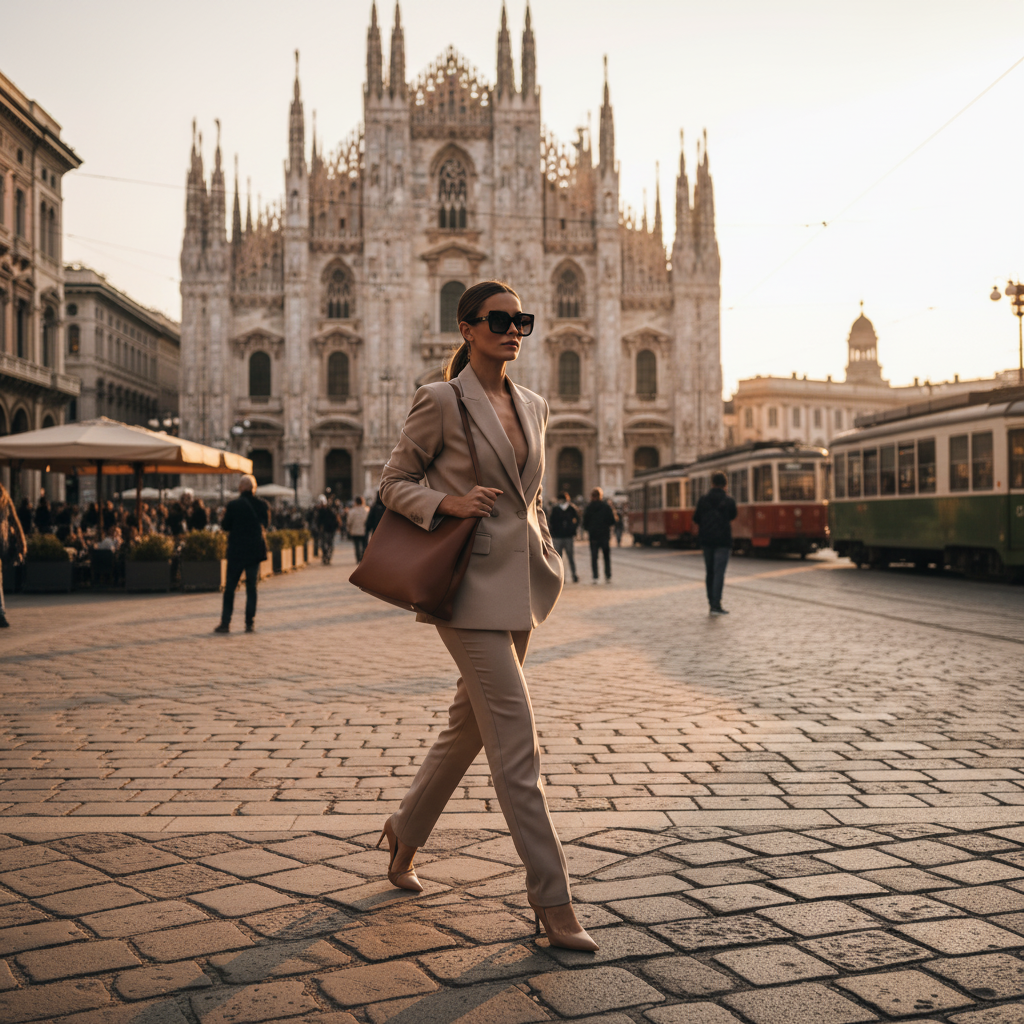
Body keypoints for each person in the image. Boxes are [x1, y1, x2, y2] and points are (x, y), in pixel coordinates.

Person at [378, 280, 596, 952]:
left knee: (466, 727)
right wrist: (446, 505)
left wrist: (547, 549)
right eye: (500, 320)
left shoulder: (533, 402)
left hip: (522, 582)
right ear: (467, 328)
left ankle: (404, 833)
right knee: (515, 739)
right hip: (466, 587)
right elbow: (392, 483)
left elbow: (527, 499)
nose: (514, 330)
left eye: (521, 320)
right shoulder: (440, 399)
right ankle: (552, 899)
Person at [214, 474, 270, 634]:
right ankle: (249, 623)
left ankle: (225, 623)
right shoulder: (262, 505)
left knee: (230, 588)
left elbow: (225, 526)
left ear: (241, 488)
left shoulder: (233, 505)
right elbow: (266, 524)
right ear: (254, 488)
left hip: (237, 552)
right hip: (254, 552)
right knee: (251, 588)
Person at [693, 470, 737, 615]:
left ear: (712, 483)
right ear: (725, 484)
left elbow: (696, 518)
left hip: (706, 540)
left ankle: (711, 603)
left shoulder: (703, 499)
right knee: (719, 573)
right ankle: (716, 605)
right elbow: (733, 515)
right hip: (723, 541)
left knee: (710, 572)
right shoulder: (729, 500)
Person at [0, 483, 28, 628]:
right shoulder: (5, 499)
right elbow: (16, 523)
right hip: (1, 543)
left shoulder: (5, 500)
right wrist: (22, 544)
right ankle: (0, 614)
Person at [582, 487, 617, 584]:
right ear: (600, 496)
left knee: (594, 557)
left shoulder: (588, 508)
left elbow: (584, 523)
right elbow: (612, 521)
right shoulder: (606, 507)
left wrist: (590, 528)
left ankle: (595, 577)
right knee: (606, 557)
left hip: (593, 536)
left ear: (592, 496)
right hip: (604, 535)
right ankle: (608, 575)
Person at [548, 492, 580, 583]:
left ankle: (572, 575)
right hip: (561, 536)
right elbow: (551, 522)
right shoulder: (557, 509)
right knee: (561, 558)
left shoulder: (570, 509)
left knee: (568, 557)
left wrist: (572, 528)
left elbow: (577, 520)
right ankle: (563, 576)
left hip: (564, 536)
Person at [315, 497, 341, 565]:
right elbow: (337, 521)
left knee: (324, 544)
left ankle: (326, 556)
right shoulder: (330, 512)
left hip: (326, 530)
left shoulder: (323, 511)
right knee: (329, 544)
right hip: (329, 530)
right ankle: (327, 556)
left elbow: (318, 521)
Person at [346, 496, 369, 562]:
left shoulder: (352, 511)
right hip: (364, 530)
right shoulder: (366, 510)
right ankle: (363, 557)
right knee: (364, 544)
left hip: (355, 531)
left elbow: (349, 522)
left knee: (357, 545)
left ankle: (358, 557)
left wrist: (349, 529)